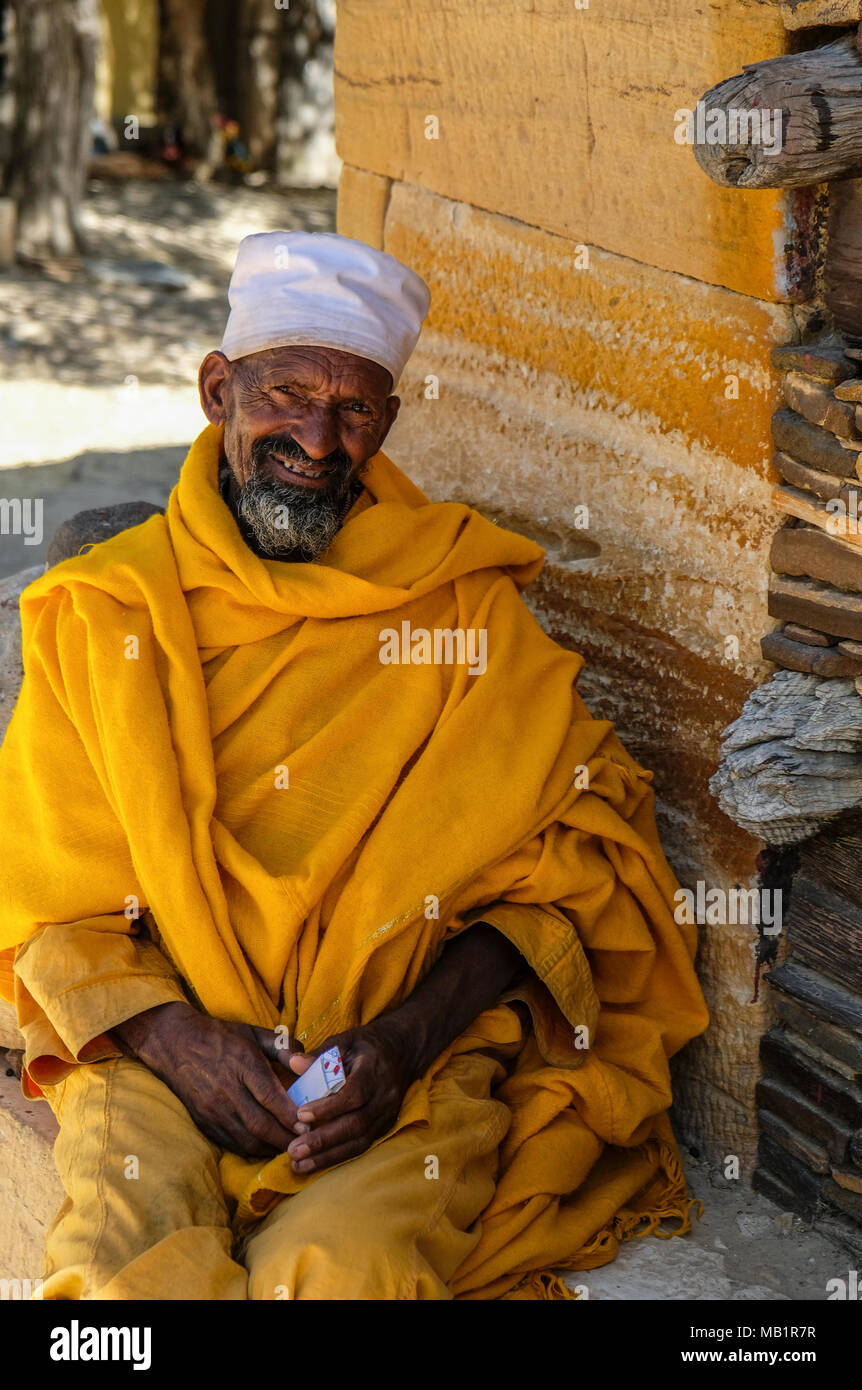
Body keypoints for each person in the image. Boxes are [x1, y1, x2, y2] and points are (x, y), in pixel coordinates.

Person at [0, 230, 708, 1301]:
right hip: (159, 1050)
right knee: (116, 1280)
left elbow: (573, 868)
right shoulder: (111, 613)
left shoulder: (461, 606)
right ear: (215, 390)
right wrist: (174, 1034)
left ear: (386, 422)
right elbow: (50, 904)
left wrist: (402, 1040)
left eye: (354, 409)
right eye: (285, 393)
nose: (316, 440)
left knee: (337, 1272)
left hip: (399, 1077)